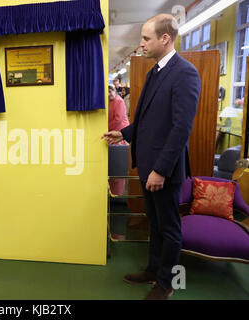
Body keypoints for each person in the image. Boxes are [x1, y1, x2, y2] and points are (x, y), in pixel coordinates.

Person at [102, 14, 201, 300]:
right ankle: (153, 270)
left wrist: (161, 169)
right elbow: (148, 119)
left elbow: (181, 127)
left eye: (146, 38)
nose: (141, 43)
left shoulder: (185, 73)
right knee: (154, 222)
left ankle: (166, 284)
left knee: (169, 226)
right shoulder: (155, 71)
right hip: (148, 165)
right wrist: (124, 134)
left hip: (163, 170)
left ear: (165, 39)